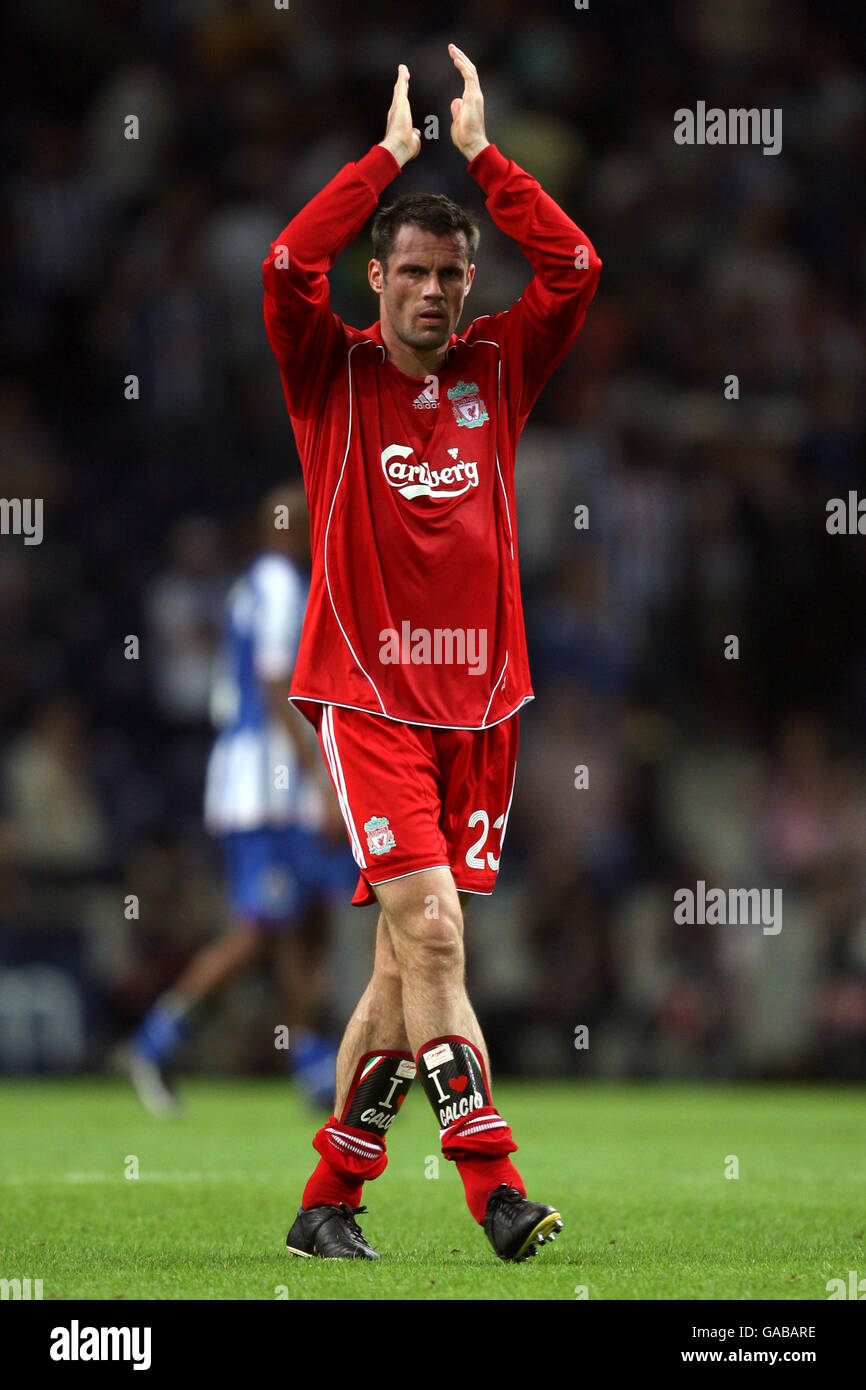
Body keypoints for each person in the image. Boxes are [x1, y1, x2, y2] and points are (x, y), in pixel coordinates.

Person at [263, 44, 601, 1261]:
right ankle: (493, 1188)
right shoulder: (329, 372)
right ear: (377, 278)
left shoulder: (497, 368)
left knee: (400, 973)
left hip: (485, 706)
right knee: (441, 935)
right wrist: (393, 159)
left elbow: (573, 263)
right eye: (411, 272)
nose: (434, 295)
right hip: (366, 697)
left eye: (452, 276)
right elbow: (285, 262)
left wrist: (487, 158)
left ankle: (328, 1203)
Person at [129, 484, 354, 1114]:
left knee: (310, 918)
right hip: (269, 786)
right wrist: (323, 779)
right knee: (262, 925)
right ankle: (157, 1038)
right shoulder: (281, 584)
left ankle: (311, 1061)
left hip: (264, 780)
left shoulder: (251, 584)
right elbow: (278, 686)